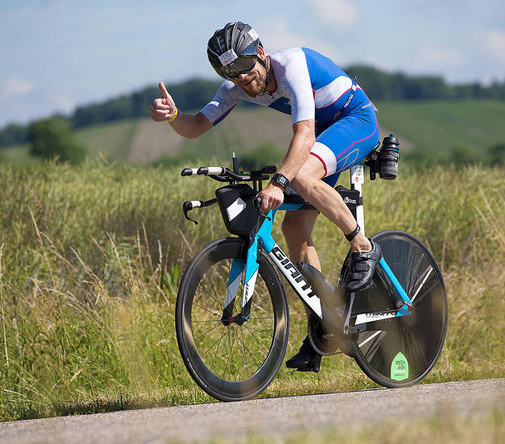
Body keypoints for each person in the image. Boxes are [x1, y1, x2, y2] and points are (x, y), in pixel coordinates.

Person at [150, 21, 381, 372]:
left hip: (355, 119)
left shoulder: (292, 66)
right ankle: (326, 324)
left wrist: (279, 181)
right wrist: (173, 117)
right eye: (228, 71)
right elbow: (196, 126)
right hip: (323, 136)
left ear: (260, 52)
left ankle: (363, 247)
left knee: (300, 177)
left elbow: (303, 133)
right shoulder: (236, 88)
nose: (241, 78)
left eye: (244, 66)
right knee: (294, 230)